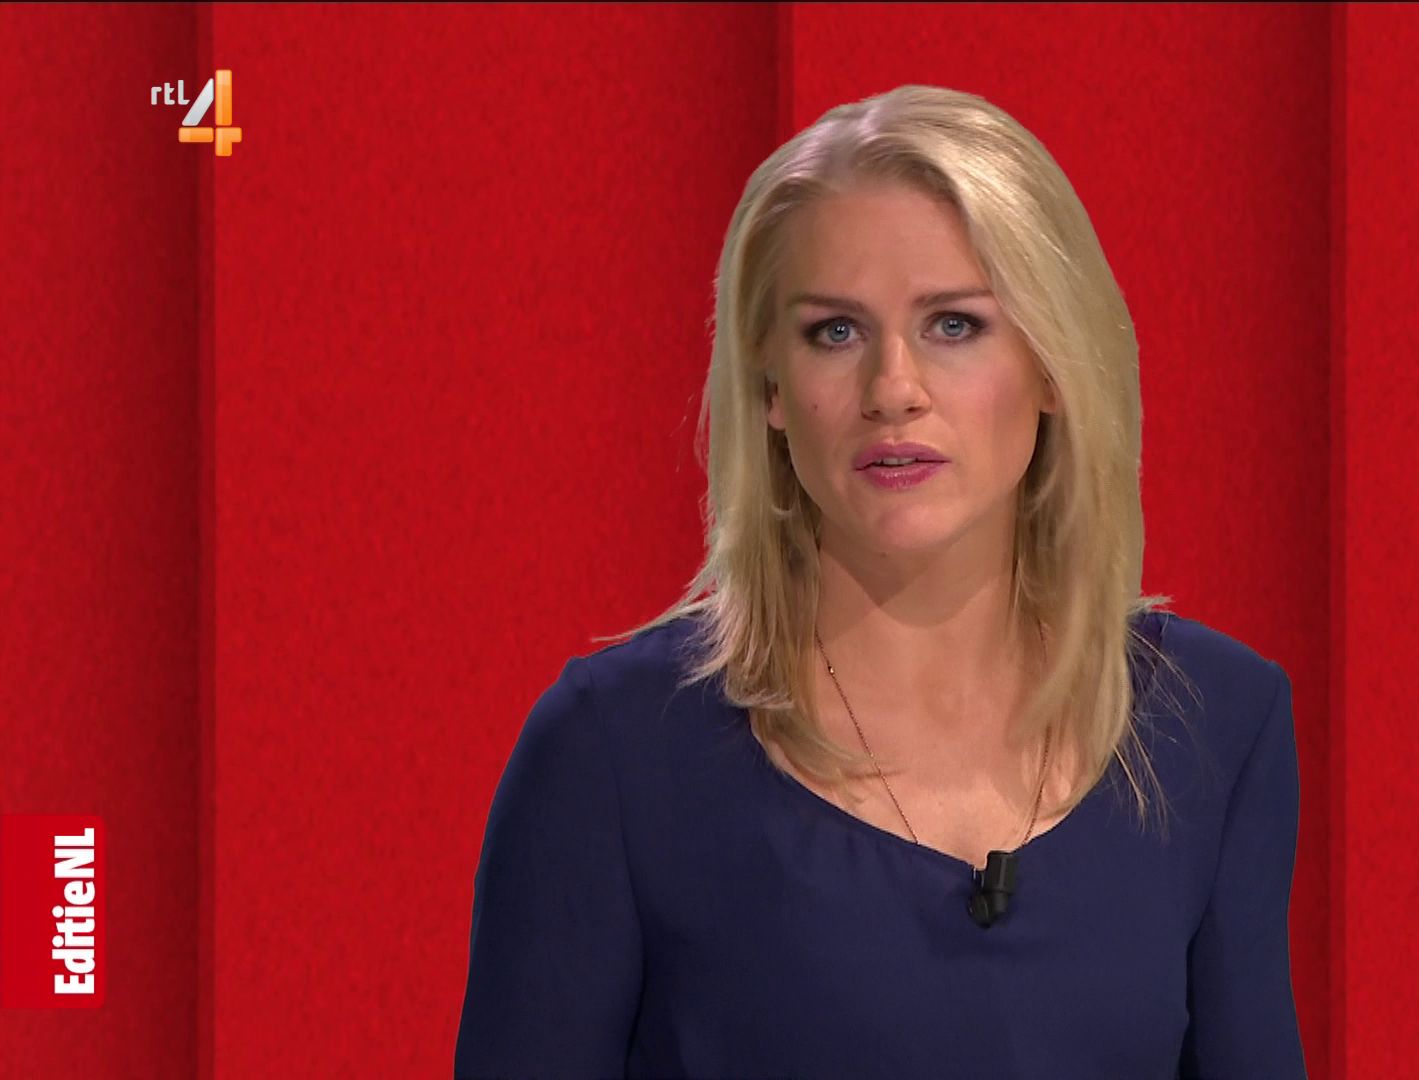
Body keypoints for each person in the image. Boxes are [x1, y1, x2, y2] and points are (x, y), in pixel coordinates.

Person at [453, 83, 1307, 1080]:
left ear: (1052, 365)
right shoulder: (615, 754)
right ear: (771, 388)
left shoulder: (1213, 726)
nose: (893, 390)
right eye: (835, 332)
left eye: (953, 325)